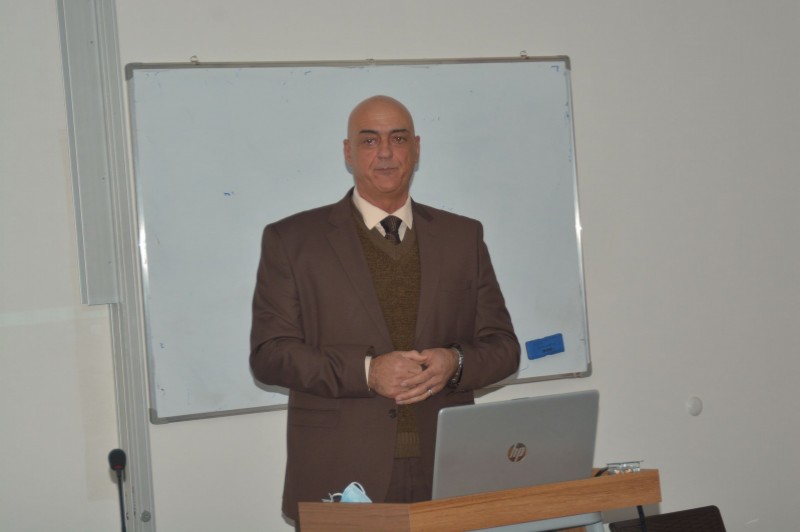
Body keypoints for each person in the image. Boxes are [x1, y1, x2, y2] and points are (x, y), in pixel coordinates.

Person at [249, 95, 520, 525]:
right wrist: (367, 371)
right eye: (370, 140)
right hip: (340, 474)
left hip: (446, 468)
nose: (386, 152)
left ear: (416, 148)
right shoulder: (292, 240)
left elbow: (503, 348)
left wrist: (455, 362)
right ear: (348, 152)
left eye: (398, 138)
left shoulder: (462, 237)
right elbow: (270, 355)